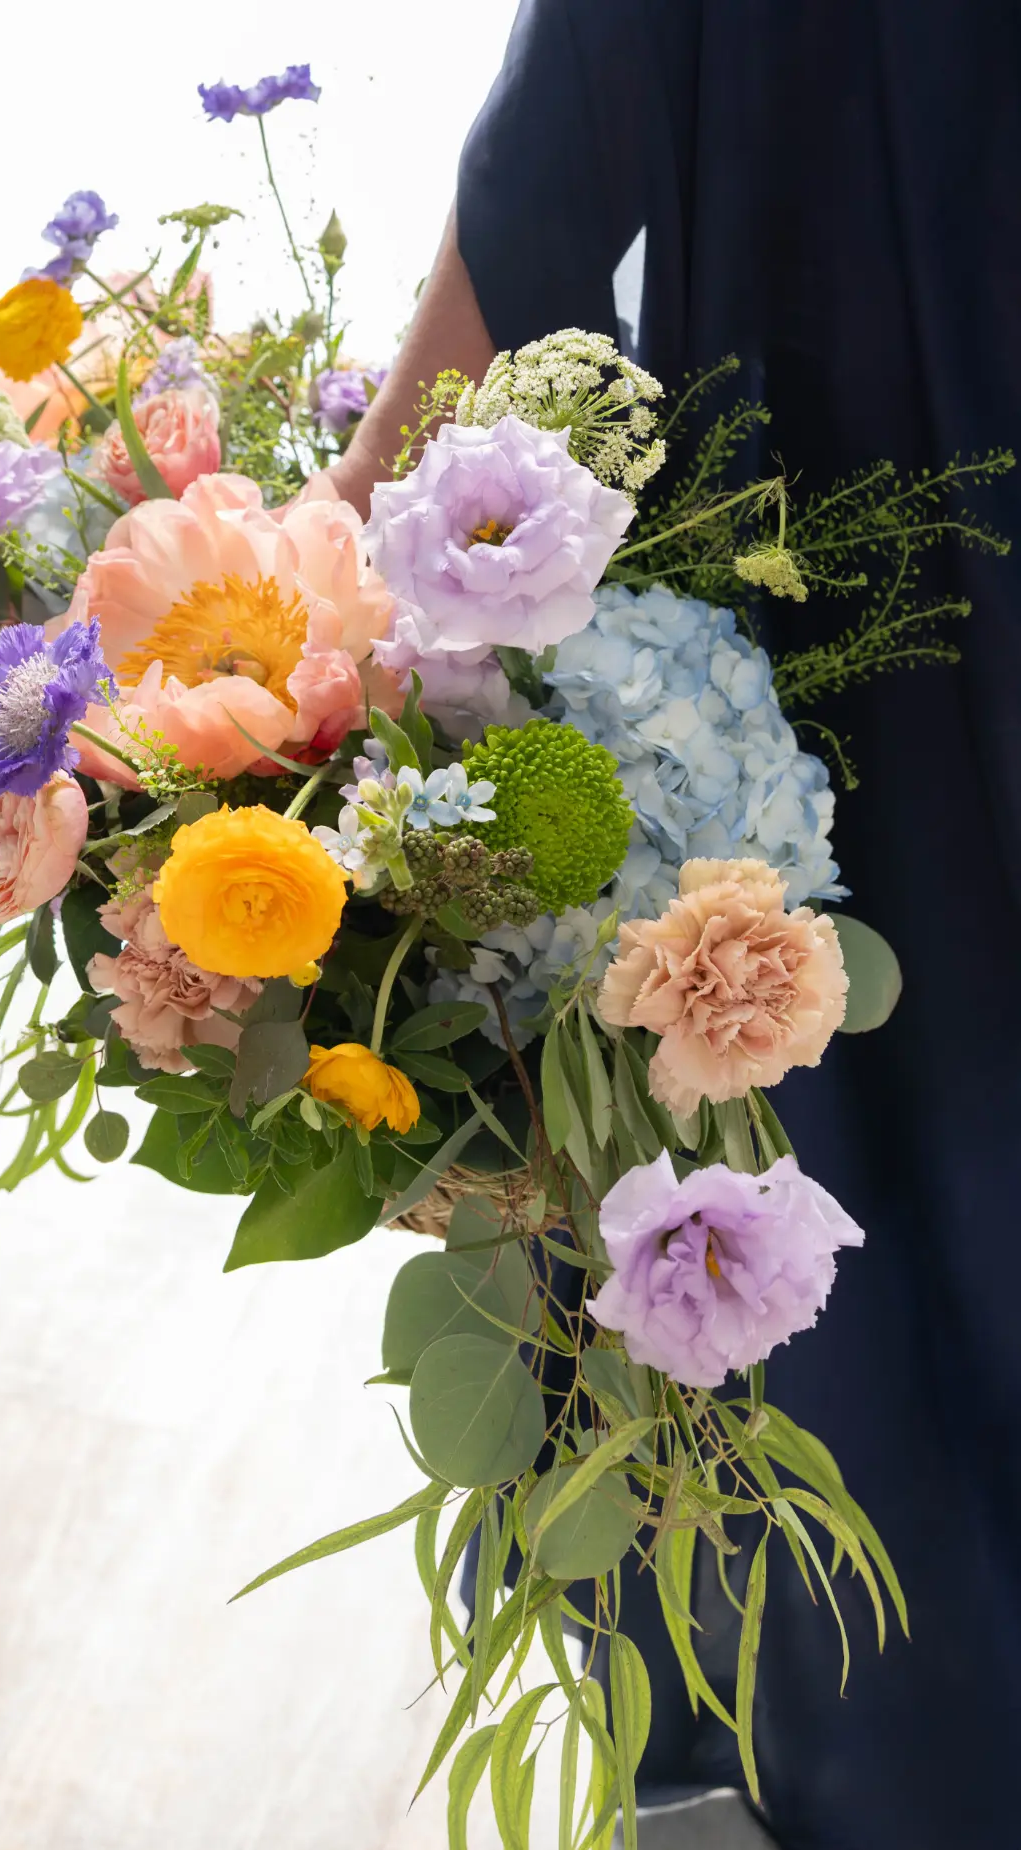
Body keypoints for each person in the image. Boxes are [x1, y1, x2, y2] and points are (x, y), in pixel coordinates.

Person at [330, 6, 1021, 1848]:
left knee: (868, 1176)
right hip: (878, 555)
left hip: (870, 544)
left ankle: (869, 1762)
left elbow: (568, 143)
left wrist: (347, 543)